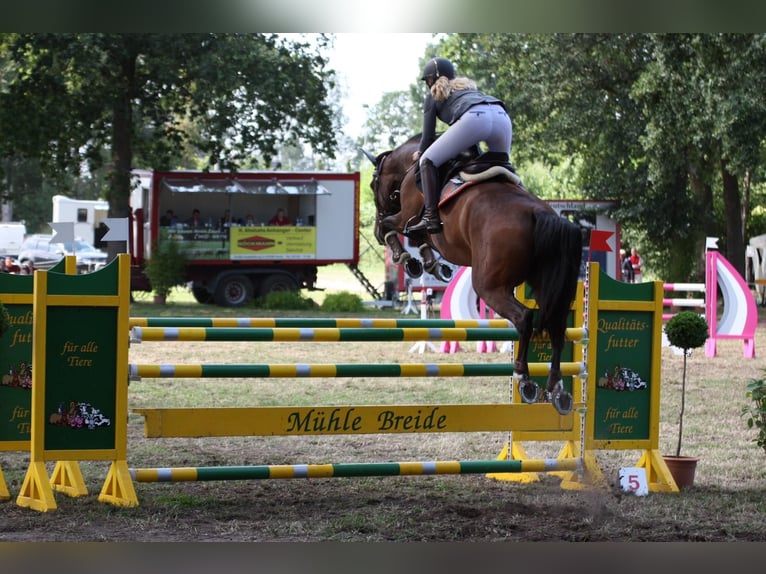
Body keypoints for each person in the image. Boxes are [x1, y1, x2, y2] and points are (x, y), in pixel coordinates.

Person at [407, 57, 513, 234]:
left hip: (475, 118)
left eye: (427, 80)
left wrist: (420, 153)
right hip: (501, 114)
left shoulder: (433, 97)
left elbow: (427, 137)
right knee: (504, 167)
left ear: (431, 80)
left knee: (427, 160)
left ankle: (430, 218)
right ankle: (524, 194)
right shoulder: (468, 89)